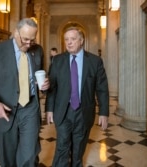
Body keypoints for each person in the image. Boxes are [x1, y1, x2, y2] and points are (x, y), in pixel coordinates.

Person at [0, 18, 49, 167]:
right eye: (25, 39)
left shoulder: (37, 50)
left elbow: (39, 77)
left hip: (30, 108)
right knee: (8, 158)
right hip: (5, 110)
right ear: (16, 33)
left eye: (32, 40)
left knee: (29, 155)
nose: (29, 44)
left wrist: (44, 85)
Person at [45, 26, 109, 167]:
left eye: (73, 39)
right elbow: (52, 88)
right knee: (62, 146)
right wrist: (49, 109)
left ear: (81, 41)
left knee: (78, 148)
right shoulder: (57, 60)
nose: (69, 42)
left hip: (83, 111)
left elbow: (102, 89)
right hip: (63, 111)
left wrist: (104, 112)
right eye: (66, 39)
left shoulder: (94, 61)